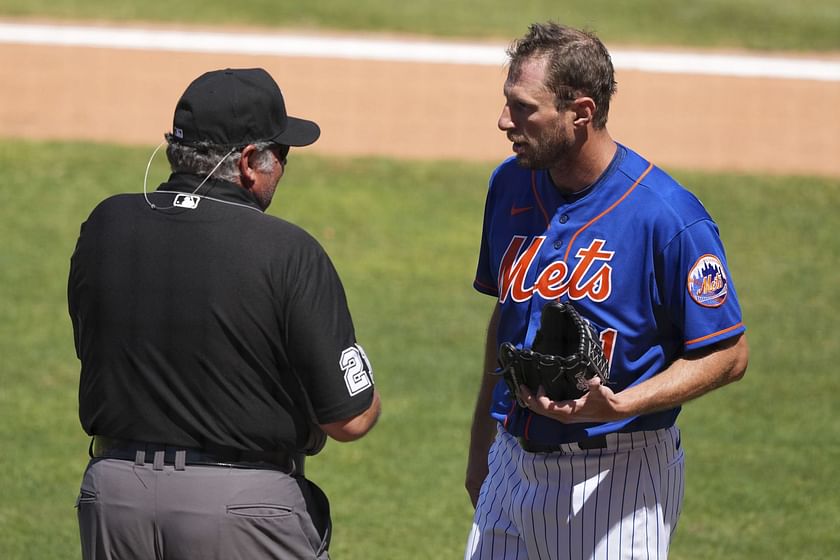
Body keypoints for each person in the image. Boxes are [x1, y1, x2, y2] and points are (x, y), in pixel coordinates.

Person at [68, 67, 381, 559]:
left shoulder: (104, 225)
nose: (283, 167)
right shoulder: (286, 250)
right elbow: (352, 419)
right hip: (242, 511)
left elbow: (94, 346)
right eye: (281, 154)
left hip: (113, 498)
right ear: (250, 161)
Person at [464, 23, 748, 559]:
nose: (504, 121)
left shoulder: (667, 218)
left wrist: (618, 405)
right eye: (507, 103)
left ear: (582, 114)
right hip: (510, 460)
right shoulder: (509, 184)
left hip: (618, 474)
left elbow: (729, 355)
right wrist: (481, 447)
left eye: (524, 108)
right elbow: (507, 316)